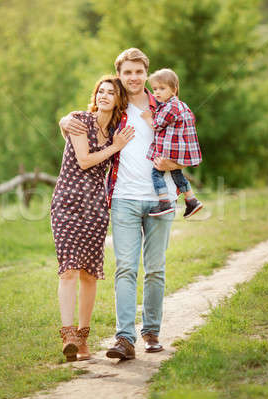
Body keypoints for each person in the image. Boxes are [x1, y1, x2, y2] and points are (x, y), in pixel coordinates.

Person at [60, 48, 184, 360]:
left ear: (146, 73)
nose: (133, 78)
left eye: (138, 72)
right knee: (126, 268)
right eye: (127, 72)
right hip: (124, 198)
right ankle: (125, 339)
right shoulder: (116, 106)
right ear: (120, 75)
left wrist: (175, 162)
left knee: (155, 269)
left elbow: (188, 143)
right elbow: (87, 120)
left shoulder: (166, 105)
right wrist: (65, 121)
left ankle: (151, 332)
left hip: (161, 197)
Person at [51, 75, 135, 362]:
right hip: (67, 203)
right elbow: (85, 159)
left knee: (89, 274)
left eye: (111, 92)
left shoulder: (117, 131)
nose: (104, 95)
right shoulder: (79, 120)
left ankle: (83, 339)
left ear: (118, 100)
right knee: (69, 270)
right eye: (101, 90)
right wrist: (114, 148)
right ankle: (68, 335)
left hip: (96, 208)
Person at [141, 68, 203, 218]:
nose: (157, 92)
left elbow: (156, 126)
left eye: (162, 88)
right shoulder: (182, 105)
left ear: (174, 90)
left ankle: (164, 202)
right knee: (177, 173)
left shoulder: (170, 107)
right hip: (179, 149)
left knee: (156, 173)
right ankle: (191, 200)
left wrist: (148, 117)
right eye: (155, 89)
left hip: (170, 150)